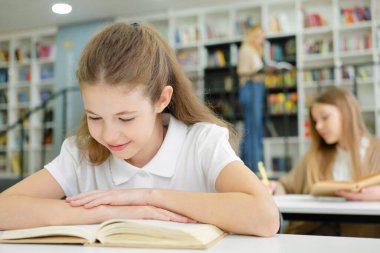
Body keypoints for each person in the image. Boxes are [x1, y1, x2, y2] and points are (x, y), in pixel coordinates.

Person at [0, 23, 279, 236]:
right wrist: (107, 212)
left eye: (125, 118)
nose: (109, 135)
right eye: (94, 117)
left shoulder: (201, 142)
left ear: (162, 99)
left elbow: (266, 217)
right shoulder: (81, 153)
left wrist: (147, 196)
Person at [268, 87, 380, 237]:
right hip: (318, 237)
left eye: (325, 117)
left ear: (347, 113)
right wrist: (274, 187)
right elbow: (287, 186)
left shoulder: (376, 151)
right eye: (315, 121)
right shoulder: (315, 156)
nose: (318, 126)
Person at [237, 24, 266, 172]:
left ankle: (250, 165)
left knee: (254, 128)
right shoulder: (246, 50)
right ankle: (253, 166)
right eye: (260, 36)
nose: (262, 39)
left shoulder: (254, 51)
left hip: (256, 87)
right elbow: (244, 71)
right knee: (253, 128)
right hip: (251, 87)